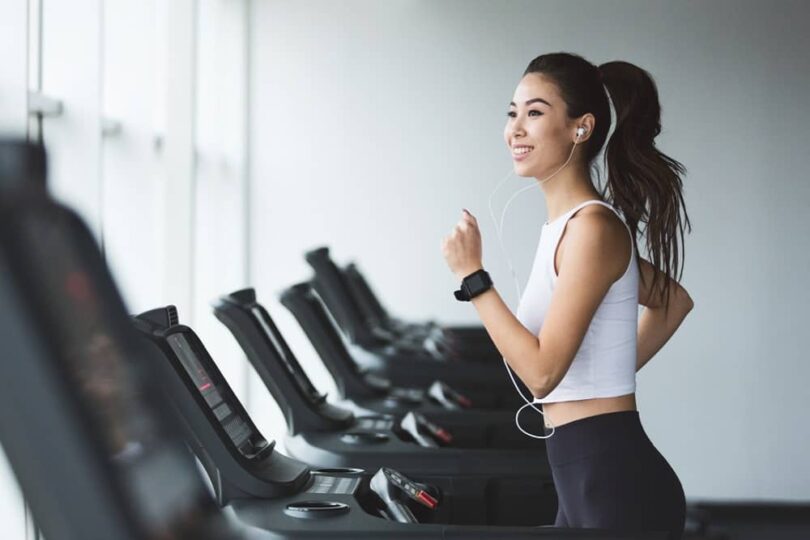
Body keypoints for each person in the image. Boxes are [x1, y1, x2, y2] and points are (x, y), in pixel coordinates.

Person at [441, 52, 693, 538]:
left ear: (581, 128)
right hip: (584, 474)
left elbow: (540, 376)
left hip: (617, 484)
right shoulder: (570, 228)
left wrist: (474, 278)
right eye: (512, 112)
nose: (515, 128)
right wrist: (604, 374)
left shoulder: (592, 228)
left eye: (534, 113)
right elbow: (674, 301)